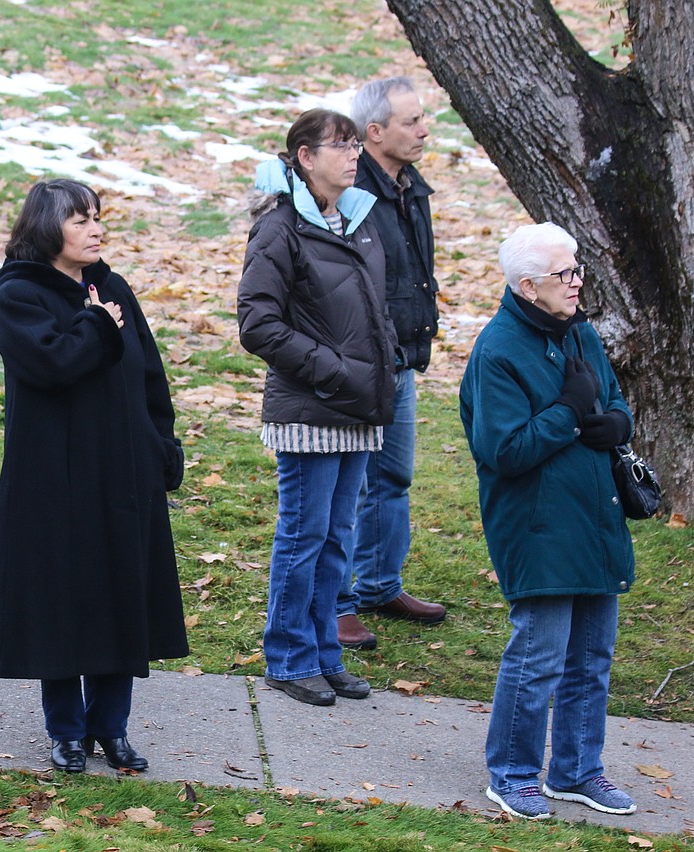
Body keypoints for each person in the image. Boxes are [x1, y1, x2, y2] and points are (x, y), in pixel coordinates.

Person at [0, 179, 189, 773]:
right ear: (48, 228)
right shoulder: (21, 293)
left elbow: (149, 376)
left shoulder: (111, 287)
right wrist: (96, 325)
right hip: (56, 481)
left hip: (123, 472)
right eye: (80, 220)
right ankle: (66, 730)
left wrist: (161, 444)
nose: (96, 229)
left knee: (122, 594)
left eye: (97, 217)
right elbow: (52, 363)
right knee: (63, 602)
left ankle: (111, 728)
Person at [460, 222, 637, 820]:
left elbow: (610, 400)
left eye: (577, 267)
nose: (577, 280)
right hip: (537, 526)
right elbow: (504, 449)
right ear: (529, 286)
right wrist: (568, 411)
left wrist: (617, 421)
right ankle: (511, 774)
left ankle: (578, 771)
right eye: (564, 273)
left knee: (593, 657)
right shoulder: (499, 350)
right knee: (539, 657)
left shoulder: (581, 333)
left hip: (595, 516)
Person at [237, 109, 398, 706]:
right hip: (310, 410)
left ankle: (325, 656)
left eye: (356, 143)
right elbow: (257, 323)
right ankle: (288, 658)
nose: (354, 153)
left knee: (337, 539)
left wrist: (383, 363)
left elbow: (367, 310)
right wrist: (331, 370)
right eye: (340, 145)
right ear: (305, 157)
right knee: (304, 537)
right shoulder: (280, 229)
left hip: (357, 408)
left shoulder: (353, 220)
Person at [337, 76, 445, 651]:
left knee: (393, 479)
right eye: (411, 121)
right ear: (373, 131)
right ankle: (341, 602)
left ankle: (380, 584)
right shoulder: (353, 194)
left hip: (403, 359)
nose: (424, 130)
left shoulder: (411, 187)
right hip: (364, 362)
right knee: (350, 484)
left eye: (422, 118)